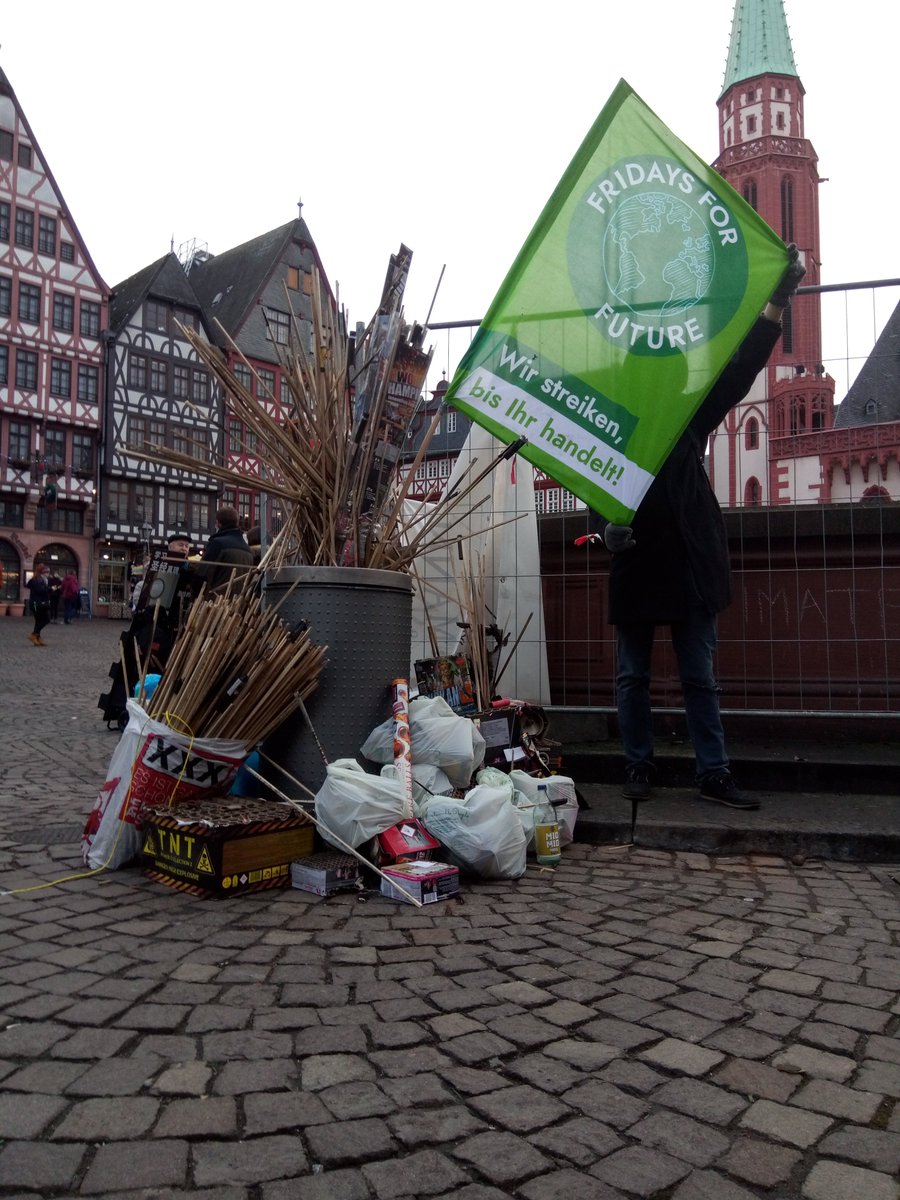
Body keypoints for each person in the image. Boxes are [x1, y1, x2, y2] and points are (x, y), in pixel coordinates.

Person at [589, 246, 806, 811]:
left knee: (698, 677)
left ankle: (713, 773)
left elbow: (741, 370)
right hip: (637, 555)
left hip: (688, 557)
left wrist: (778, 301)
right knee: (633, 675)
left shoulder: (689, 410)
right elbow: (587, 476)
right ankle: (639, 765)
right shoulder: (614, 420)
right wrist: (602, 525)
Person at [196, 505, 254, 595]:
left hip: (214, 603)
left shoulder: (218, 544)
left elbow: (202, 575)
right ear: (237, 522)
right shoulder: (248, 550)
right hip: (237, 603)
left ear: (218, 523)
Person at [25, 562, 52, 646]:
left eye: (48, 572)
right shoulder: (35, 580)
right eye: (46, 572)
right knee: (46, 619)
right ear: (41, 572)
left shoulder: (43, 580)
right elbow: (40, 591)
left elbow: (44, 591)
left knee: (38, 621)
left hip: (41, 603)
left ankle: (37, 638)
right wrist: (50, 589)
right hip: (36, 603)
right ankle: (34, 634)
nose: (48, 574)